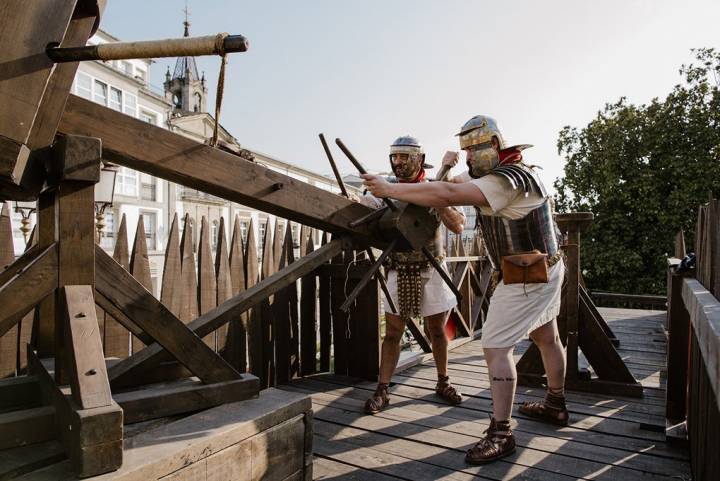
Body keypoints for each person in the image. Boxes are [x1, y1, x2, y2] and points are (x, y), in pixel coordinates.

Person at [361, 117, 568, 464]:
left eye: (472, 150)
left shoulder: (505, 182)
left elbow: (447, 194)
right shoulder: (508, 171)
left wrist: (390, 189)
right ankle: (556, 405)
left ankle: (501, 433)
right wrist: (426, 177)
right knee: (547, 336)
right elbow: (444, 185)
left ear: (492, 148)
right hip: (543, 266)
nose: (467, 158)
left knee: (496, 347)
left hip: (527, 275)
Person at [352, 135, 466, 415]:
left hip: (431, 268)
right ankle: (383, 389)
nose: (398, 162)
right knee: (392, 333)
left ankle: (443, 381)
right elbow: (366, 209)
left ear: (419, 159)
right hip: (398, 268)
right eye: (395, 157)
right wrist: (355, 199)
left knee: (437, 330)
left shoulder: (437, 187)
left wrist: (439, 200)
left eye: (404, 157)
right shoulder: (386, 188)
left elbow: (459, 226)